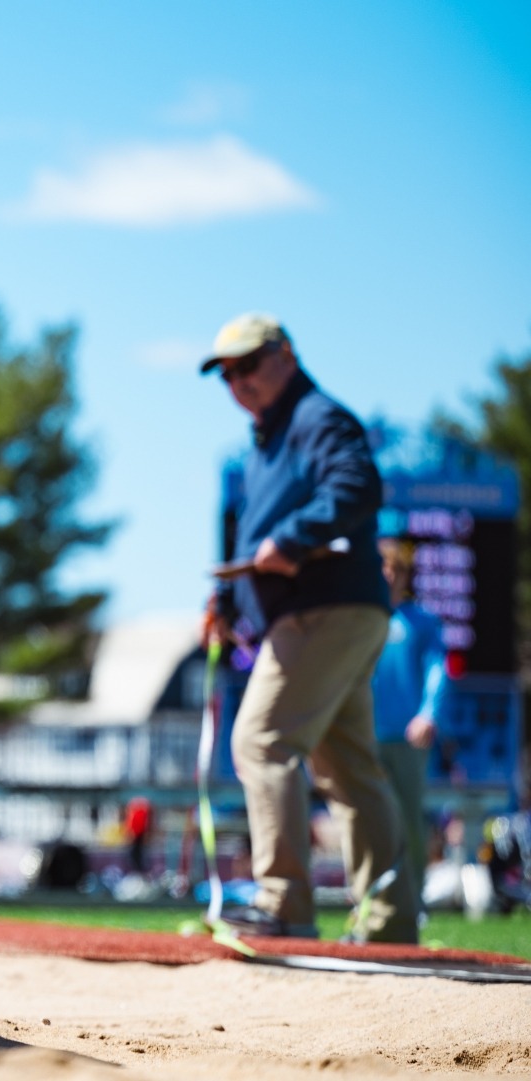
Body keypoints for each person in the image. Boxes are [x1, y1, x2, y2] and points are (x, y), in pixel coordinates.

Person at [199, 313, 417, 942]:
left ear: (286, 354)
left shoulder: (316, 416)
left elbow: (358, 487)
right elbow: (254, 534)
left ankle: (284, 902)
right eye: (226, 374)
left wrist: (290, 538)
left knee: (261, 742)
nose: (237, 381)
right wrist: (225, 600)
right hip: (336, 614)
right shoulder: (266, 441)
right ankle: (389, 921)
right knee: (349, 769)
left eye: (247, 365)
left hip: (324, 611)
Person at [373, 538, 450, 911]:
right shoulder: (362, 620)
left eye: (396, 568)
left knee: (409, 823)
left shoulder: (422, 622)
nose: (388, 574)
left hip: (406, 739)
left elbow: (438, 670)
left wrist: (428, 714)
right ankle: (369, 903)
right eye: (382, 566)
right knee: (366, 824)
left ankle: (413, 904)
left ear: (405, 574)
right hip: (364, 737)